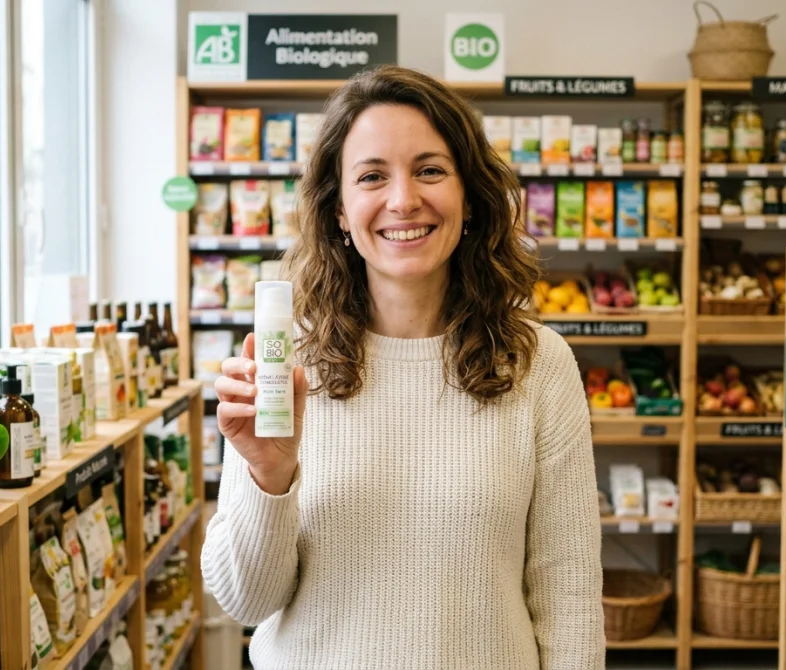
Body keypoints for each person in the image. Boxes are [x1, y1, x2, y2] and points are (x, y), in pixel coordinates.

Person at [202, 65, 604, 670]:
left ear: (468, 193)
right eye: (371, 176)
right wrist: (270, 476)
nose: (403, 200)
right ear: (339, 210)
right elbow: (247, 602)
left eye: (430, 170)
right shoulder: (286, 364)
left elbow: (569, 598)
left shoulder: (538, 365)